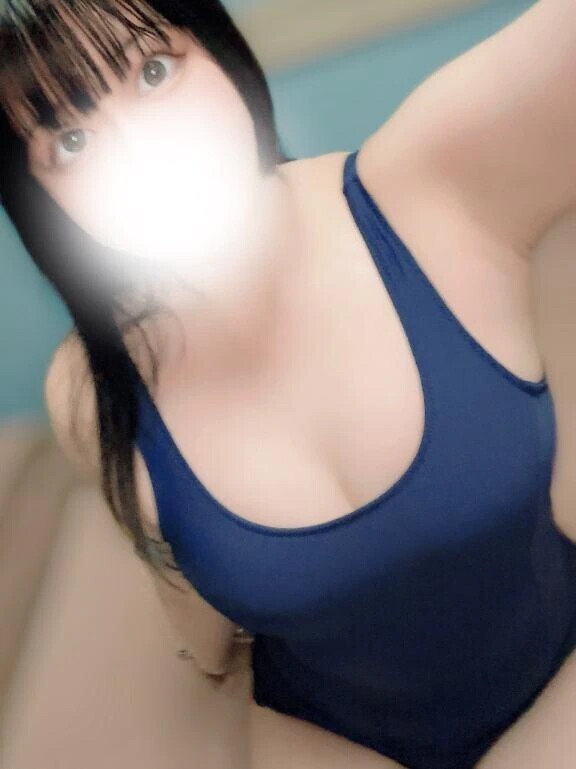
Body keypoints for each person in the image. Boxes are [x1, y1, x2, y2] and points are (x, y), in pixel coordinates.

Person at [2, 1, 576, 767]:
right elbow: (180, 588)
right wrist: (204, 649)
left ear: (219, 51)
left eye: (153, 70)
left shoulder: (428, 190)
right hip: (321, 727)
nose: (141, 155)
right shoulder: (86, 389)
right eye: (69, 141)